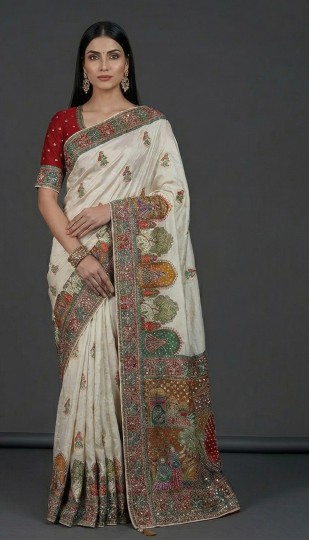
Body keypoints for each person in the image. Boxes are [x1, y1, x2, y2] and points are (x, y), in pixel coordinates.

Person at [35, 20, 240, 536]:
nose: (104, 65)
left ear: (127, 65)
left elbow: (174, 196)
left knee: (123, 372)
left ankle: (140, 490)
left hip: (128, 261)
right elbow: (46, 199)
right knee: (86, 377)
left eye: (113, 55)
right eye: (94, 57)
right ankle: (91, 493)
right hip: (75, 263)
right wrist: (80, 257)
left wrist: (113, 210)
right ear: (83, 67)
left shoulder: (153, 125)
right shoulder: (64, 123)